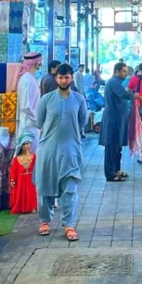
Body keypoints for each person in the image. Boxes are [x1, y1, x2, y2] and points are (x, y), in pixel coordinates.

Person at [34, 64, 87, 241]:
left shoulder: (79, 100)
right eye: (60, 77)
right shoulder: (46, 100)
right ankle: (44, 221)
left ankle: (69, 224)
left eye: (66, 77)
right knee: (45, 187)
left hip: (71, 150)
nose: (63, 80)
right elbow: (40, 122)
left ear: (72, 78)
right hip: (48, 150)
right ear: (56, 78)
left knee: (70, 188)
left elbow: (82, 121)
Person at [100, 61, 134, 182]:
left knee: (117, 146)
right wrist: (135, 94)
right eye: (124, 71)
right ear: (117, 71)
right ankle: (110, 174)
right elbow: (124, 95)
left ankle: (117, 169)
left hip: (119, 118)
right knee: (111, 146)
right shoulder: (114, 82)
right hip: (112, 119)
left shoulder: (117, 82)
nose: (125, 74)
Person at [16, 51, 42, 150]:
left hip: (32, 124)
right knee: (28, 158)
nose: (41, 64)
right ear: (34, 63)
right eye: (39, 61)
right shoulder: (27, 80)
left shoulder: (30, 78)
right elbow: (26, 106)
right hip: (29, 125)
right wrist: (38, 122)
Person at [9, 133, 37, 214]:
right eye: (24, 144)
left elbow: (36, 168)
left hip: (31, 179)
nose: (26, 145)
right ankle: (21, 207)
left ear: (31, 144)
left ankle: (32, 207)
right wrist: (12, 179)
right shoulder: (16, 159)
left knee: (31, 193)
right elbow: (13, 170)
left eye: (28, 143)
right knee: (21, 193)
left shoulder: (34, 156)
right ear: (21, 145)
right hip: (21, 180)